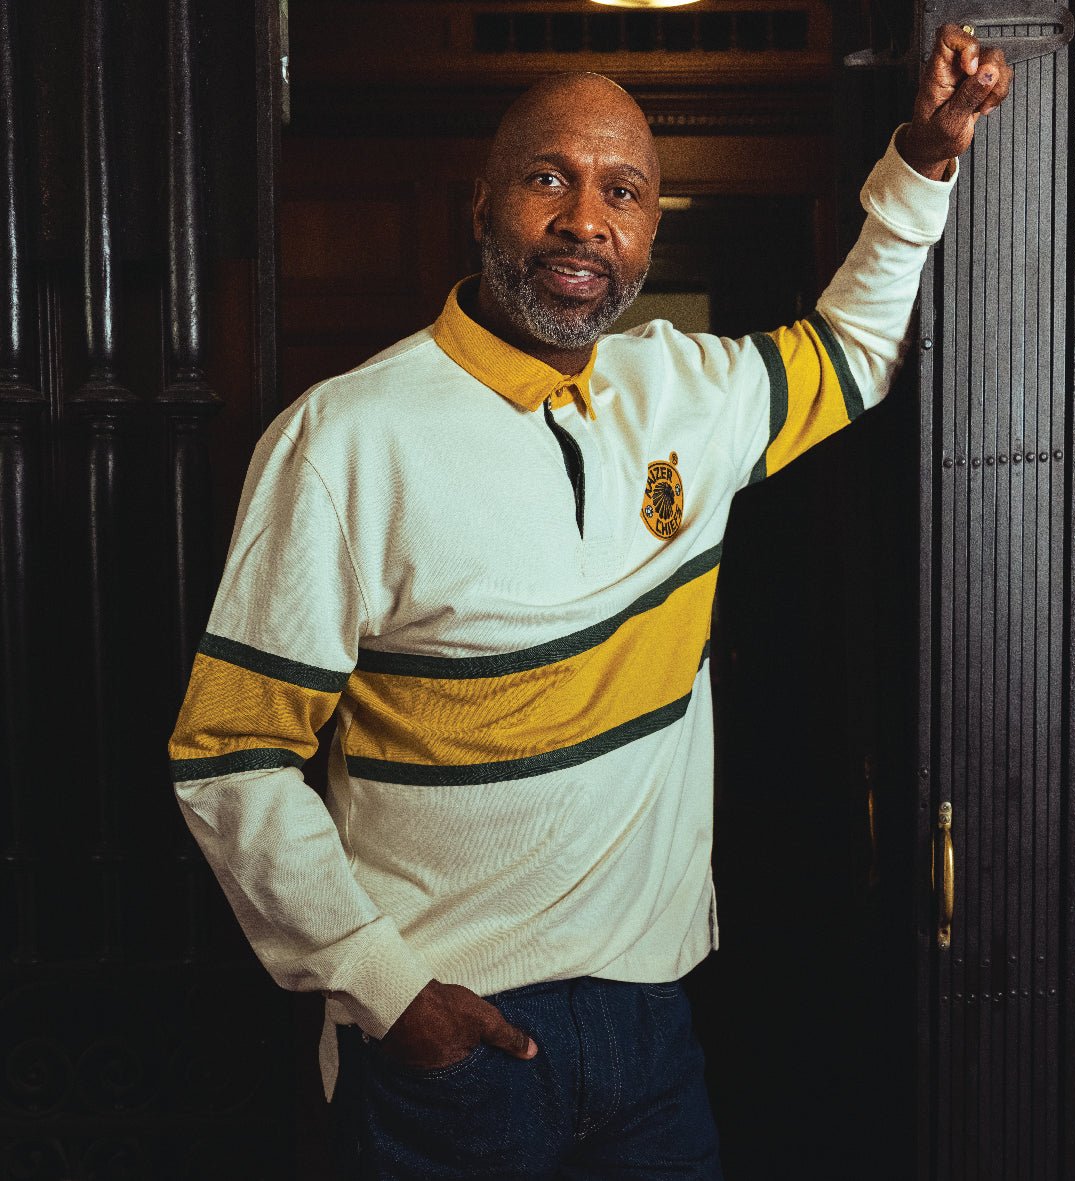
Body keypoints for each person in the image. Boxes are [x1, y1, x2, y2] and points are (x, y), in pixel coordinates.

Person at [169, 25, 1011, 1180]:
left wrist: (922, 156)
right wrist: (387, 989)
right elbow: (232, 756)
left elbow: (854, 350)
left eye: (621, 191)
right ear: (483, 204)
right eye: (547, 178)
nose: (584, 219)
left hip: (650, 1025)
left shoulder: (687, 390)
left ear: (650, 229)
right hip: (445, 1043)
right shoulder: (343, 441)